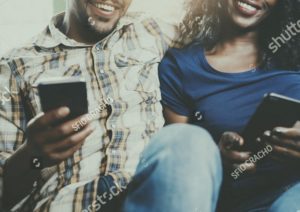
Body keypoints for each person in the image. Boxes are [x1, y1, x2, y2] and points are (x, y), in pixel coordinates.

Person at [0, 0, 223, 211]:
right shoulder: (14, 67)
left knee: (191, 140)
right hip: (65, 203)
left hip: (148, 195)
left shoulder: (152, 30)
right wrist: (31, 155)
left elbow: (225, 39)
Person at [159, 0, 300, 211]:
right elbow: (178, 159)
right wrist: (216, 159)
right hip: (224, 200)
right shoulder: (181, 67)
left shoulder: (294, 57)